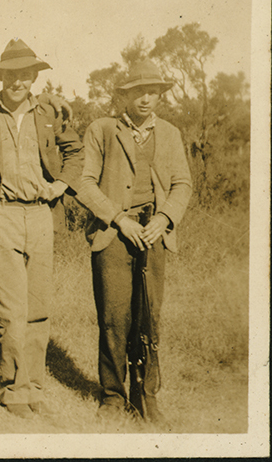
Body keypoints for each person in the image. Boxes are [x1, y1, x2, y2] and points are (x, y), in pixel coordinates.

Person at [0, 38, 84, 419]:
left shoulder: (50, 112)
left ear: (34, 77)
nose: (17, 82)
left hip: (40, 216)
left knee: (37, 309)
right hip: (1, 216)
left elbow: (74, 152)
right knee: (10, 310)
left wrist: (62, 185)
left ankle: (34, 385)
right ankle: (13, 388)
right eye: (10, 75)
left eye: (24, 74)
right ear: (0, 76)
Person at [75, 59, 192, 425]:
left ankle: (147, 394)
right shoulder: (102, 129)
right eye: (138, 92)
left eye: (152, 92)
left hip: (154, 234)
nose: (145, 99)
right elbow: (84, 181)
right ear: (124, 95)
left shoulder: (171, 133)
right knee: (113, 316)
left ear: (159, 95)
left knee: (149, 315)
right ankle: (112, 395)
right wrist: (118, 218)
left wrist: (164, 218)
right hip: (114, 234)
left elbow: (182, 184)